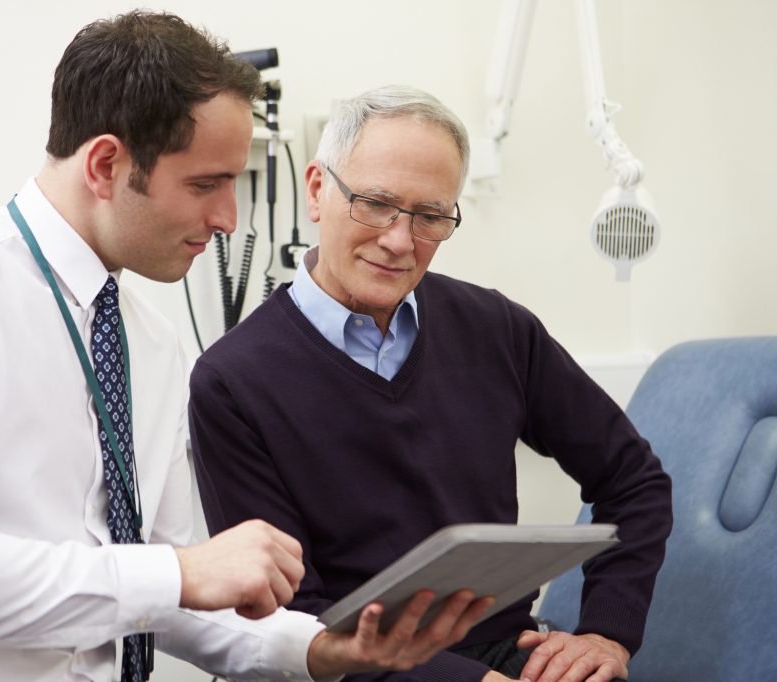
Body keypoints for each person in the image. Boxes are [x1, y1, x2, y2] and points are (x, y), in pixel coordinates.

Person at [0, 18, 491, 682]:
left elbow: (171, 598)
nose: (227, 219)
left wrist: (321, 648)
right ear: (105, 165)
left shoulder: (148, 342)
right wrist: (178, 572)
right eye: (206, 185)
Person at [188, 85, 673, 682]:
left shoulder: (498, 329)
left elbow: (635, 480)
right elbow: (290, 620)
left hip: (508, 653)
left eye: (430, 216)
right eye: (375, 204)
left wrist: (607, 632)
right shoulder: (232, 383)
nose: (399, 240)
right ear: (316, 190)